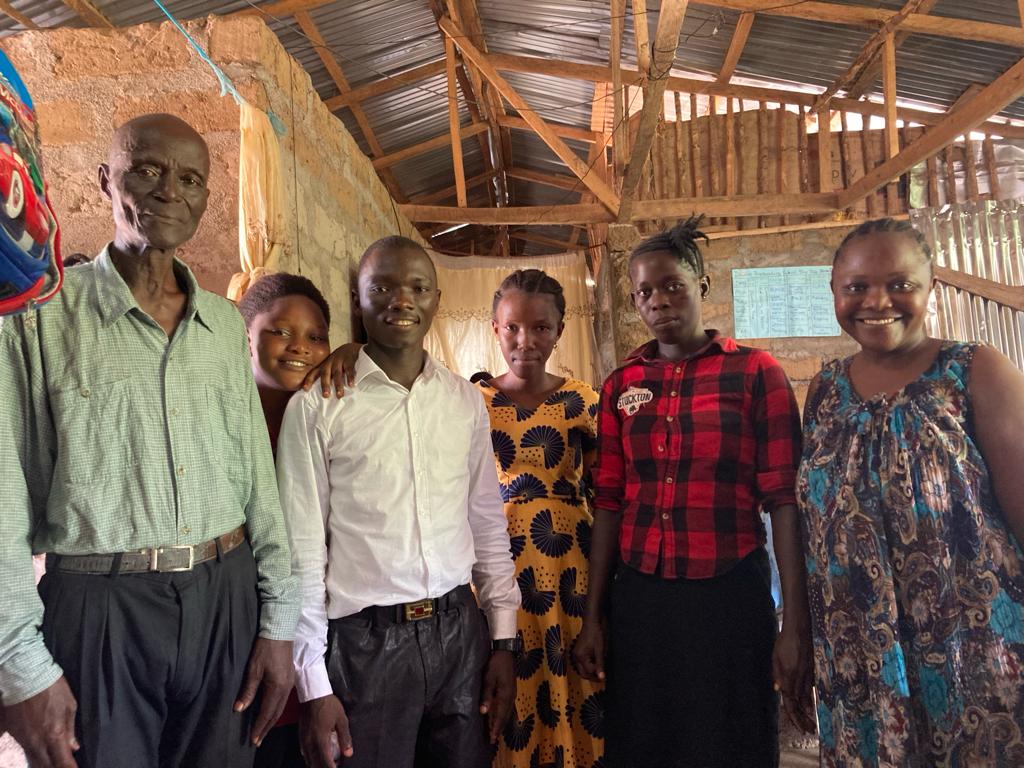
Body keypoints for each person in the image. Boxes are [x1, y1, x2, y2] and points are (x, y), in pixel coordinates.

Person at [0, 113, 298, 768]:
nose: (169, 191)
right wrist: (18, 664)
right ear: (106, 180)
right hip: (100, 608)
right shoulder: (41, 318)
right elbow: (3, 500)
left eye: (190, 179)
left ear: (206, 199)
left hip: (226, 596)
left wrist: (280, 621)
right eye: (148, 170)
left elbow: (258, 482)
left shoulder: (224, 324)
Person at [573, 216, 814, 768]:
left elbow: (784, 501)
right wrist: (593, 617)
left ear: (701, 287)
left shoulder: (756, 373)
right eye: (645, 292)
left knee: (732, 739)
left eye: (673, 286)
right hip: (641, 598)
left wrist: (794, 625)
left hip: (729, 595)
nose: (658, 301)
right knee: (645, 742)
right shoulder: (621, 385)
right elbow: (608, 501)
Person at [276, 235, 522, 768]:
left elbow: (485, 521)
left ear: (437, 298)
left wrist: (503, 640)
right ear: (358, 299)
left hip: (460, 634)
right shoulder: (319, 406)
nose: (402, 300)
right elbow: (302, 551)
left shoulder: (462, 401)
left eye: (418, 287)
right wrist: (313, 683)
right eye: (382, 287)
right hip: (364, 648)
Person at [798, 218, 1024, 767]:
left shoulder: (974, 371)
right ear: (834, 291)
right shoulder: (825, 390)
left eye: (900, 284)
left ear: (930, 287)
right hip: (857, 652)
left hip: (969, 646)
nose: (877, 302)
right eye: (856, 286)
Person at [483, 269, 603, 768]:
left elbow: (604, 493)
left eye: (540, 328)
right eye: (512, 327)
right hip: (498, 571)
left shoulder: (583, 402)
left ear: (559, 330)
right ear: (495, 328)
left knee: (574, 685)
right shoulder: (474, 401)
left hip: (571, 573)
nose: (525, 341)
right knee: (509, 687)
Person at [238, 273, 332, 768]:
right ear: (246, 335)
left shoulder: (329, 422)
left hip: (315, 632)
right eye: (280, 331)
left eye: (317, 336)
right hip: (240, 624)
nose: (300, 347)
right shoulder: (227, 419)